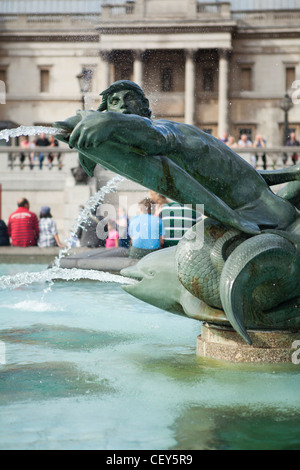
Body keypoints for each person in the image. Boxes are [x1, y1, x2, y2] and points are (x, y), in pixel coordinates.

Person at [53, 80, 300, 236]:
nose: (123, 107)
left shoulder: (165, 129)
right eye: (114, 104)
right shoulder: (154, 149)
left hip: (265, 214)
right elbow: (186, 187)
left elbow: (245, 174)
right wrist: (233, 219)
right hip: (260, 215)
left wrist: (291, 173)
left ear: (144, 105)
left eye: (130, 99)